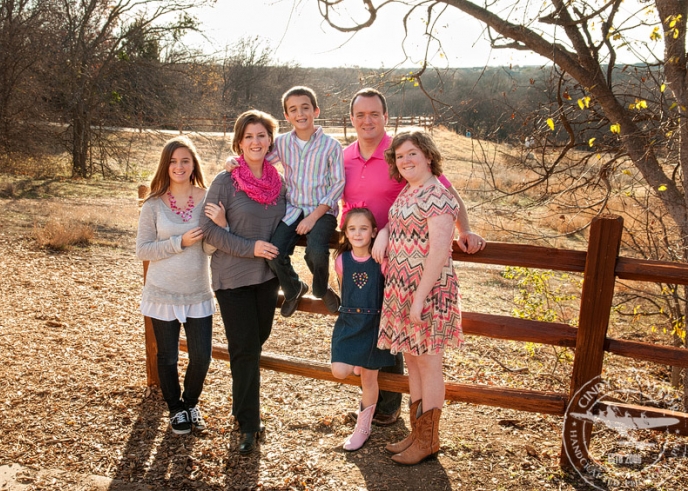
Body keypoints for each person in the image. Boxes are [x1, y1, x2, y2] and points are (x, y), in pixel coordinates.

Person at [343, 87, 486, 426]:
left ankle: (414, 426)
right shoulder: (353, 159)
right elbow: (395, 213)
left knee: (426, 358)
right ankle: (404, 422)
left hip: (422, 282)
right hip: (384, 268)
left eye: (374, 113)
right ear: (351, 119)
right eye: (360, 114)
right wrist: (385, 233)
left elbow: (445, 215)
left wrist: (464, 230)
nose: (367, 120)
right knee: (397, 346)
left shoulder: (419, 172)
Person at [199, 110, 287, 455]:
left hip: (266, 279)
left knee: (254, 344)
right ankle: (248, 423)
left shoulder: (278, 182)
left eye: (262, 135)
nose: (256, 141)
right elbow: (208, 230)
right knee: (245, 349)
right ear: (239, 141)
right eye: (249, 136)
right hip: (231, 278)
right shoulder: (225, 180)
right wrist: (249, 247)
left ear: (270, 141)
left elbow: (285, 224)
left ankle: (243, 411)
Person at [375, 130, 463, 465]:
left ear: (427, 155)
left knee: (428, 363)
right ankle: (416, 433)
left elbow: (440, 250)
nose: (406, 160)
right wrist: (383, 232)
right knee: (412, 360)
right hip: (401, 288)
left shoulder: (438, 194)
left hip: (427, 292)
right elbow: (399, 225)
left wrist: (419, 298)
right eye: (399, 156)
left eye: (412, 153)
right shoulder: (410, 191)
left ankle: (429, 439)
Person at [136, 136, 219, 436]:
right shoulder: (154, 204)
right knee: (167, 355)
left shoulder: (208, 198)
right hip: (163, 292)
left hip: (198, 290)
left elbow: (210, 249)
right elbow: (143, 249)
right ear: (165, 165)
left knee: (201, 356)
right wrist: (178, 243)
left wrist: (219, 225)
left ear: (193, 163)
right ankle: (175, 408)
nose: (179, 166)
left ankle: (190, 402)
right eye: (173, 161)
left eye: (185, 160)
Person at [266, 86, 345, 317]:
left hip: (322, 210)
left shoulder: (331, 145)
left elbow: (338, 184)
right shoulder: (282, 143)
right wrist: (235, 161)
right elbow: (260, 160)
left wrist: (313, 218)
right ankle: (294, 288)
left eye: (305, 108)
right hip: (292, 208)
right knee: (274, 253)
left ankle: (321, 289)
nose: (300, 113)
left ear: (316, 111)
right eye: (293, 109)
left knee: (316, 253)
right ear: (287, 116)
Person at [330, 206, 396, 451]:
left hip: (373, 324)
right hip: (349, 323)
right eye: (352, 229)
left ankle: (362, 429)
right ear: (345, 233)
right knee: (339, 370)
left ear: (374, 232)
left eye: (364, 229)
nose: (358, 234)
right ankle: (356, 360)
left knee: (369, 379)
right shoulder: (341, 260)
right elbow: (343, 288)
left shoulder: (381, 260)